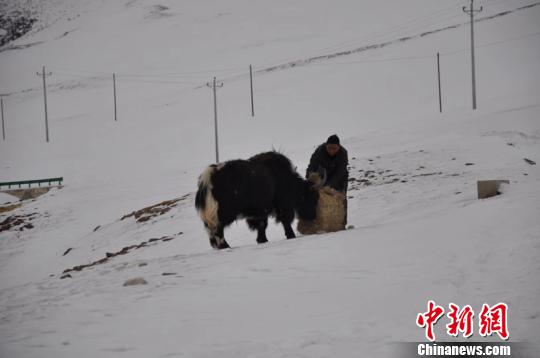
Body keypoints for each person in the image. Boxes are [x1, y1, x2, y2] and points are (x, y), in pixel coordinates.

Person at [306, 134, 349, 227]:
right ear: (326, 145)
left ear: (339, 147)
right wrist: (310, 181)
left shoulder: (343, 153)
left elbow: (340, 172)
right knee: (318, 198)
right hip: (323, 175)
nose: (331, 151)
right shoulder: (319, 152)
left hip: (340, 177)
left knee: (341, 198)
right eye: (329, 148)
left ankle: (342, 224)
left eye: (334, 148)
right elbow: (312, 167)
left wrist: (329, 186)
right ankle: (320, 223)